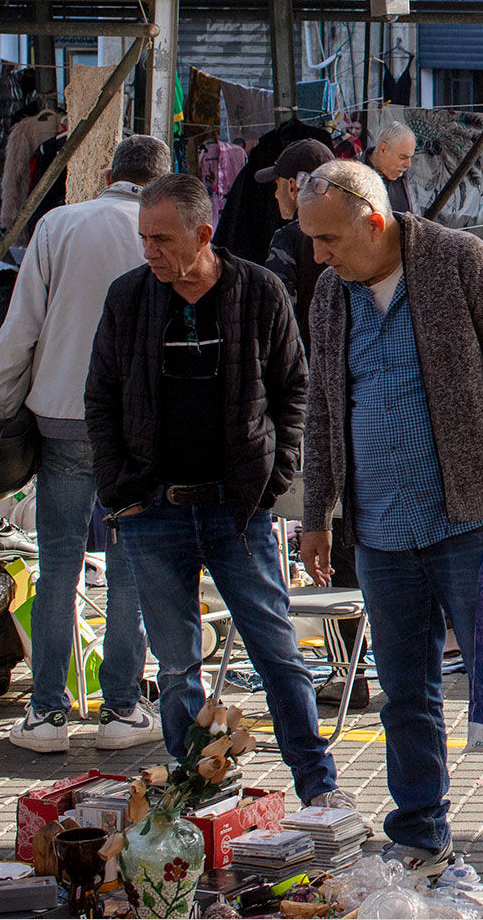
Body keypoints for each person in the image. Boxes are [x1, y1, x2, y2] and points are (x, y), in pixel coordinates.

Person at [295, 160, 483, 870]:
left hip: (468, 522)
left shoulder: (458, 261)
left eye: (328, 239)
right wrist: (317, 511)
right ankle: (418, 828)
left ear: (373, 223)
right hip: (380, 530)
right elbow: (321, 407)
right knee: (405, 692)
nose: (319, 254)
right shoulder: (329, 296)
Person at [86, 174, 357, 814]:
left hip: (237, 511)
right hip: (152, 512)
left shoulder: (257, 291)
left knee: (278, 655)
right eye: (143, 238)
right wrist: (118, 489)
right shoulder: (128, 299)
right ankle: (193, 796)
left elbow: (296, 387)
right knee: (178, 668)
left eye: (161, 238)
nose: (148, 250)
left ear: (203, 235)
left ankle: (319, 787)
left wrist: (275, 472)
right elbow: (99, 398)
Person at [0, 135, 169, 754]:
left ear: (111, 173)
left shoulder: (59, 226)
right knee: (129, 566)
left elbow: (21, 328)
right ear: (159, 181)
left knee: (58, 562)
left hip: (62, 417)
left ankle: (46, 715)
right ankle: (122, 708)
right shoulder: (166, 232)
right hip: (138, 426)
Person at [258, 137, 369, 710]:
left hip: (309, 408)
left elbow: (273, 328)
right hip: (345, 408)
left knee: (325, 539)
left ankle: (344, 671)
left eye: (280, 183)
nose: (277, 194)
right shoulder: (354, 254)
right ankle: (357, 670)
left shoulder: (287, 242)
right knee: (345, 540)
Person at [261, 139, 335, 337]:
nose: (276, 194)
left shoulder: (288, 238)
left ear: (293, 187)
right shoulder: (352, 231)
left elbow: (277, 314)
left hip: (304, 358)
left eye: (278, 185)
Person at [369, 121, 417, 214]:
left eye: (410, 157)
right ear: (383, 149)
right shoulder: (354, 176)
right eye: (403, 157)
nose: (408, 164)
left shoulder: (407, 177)